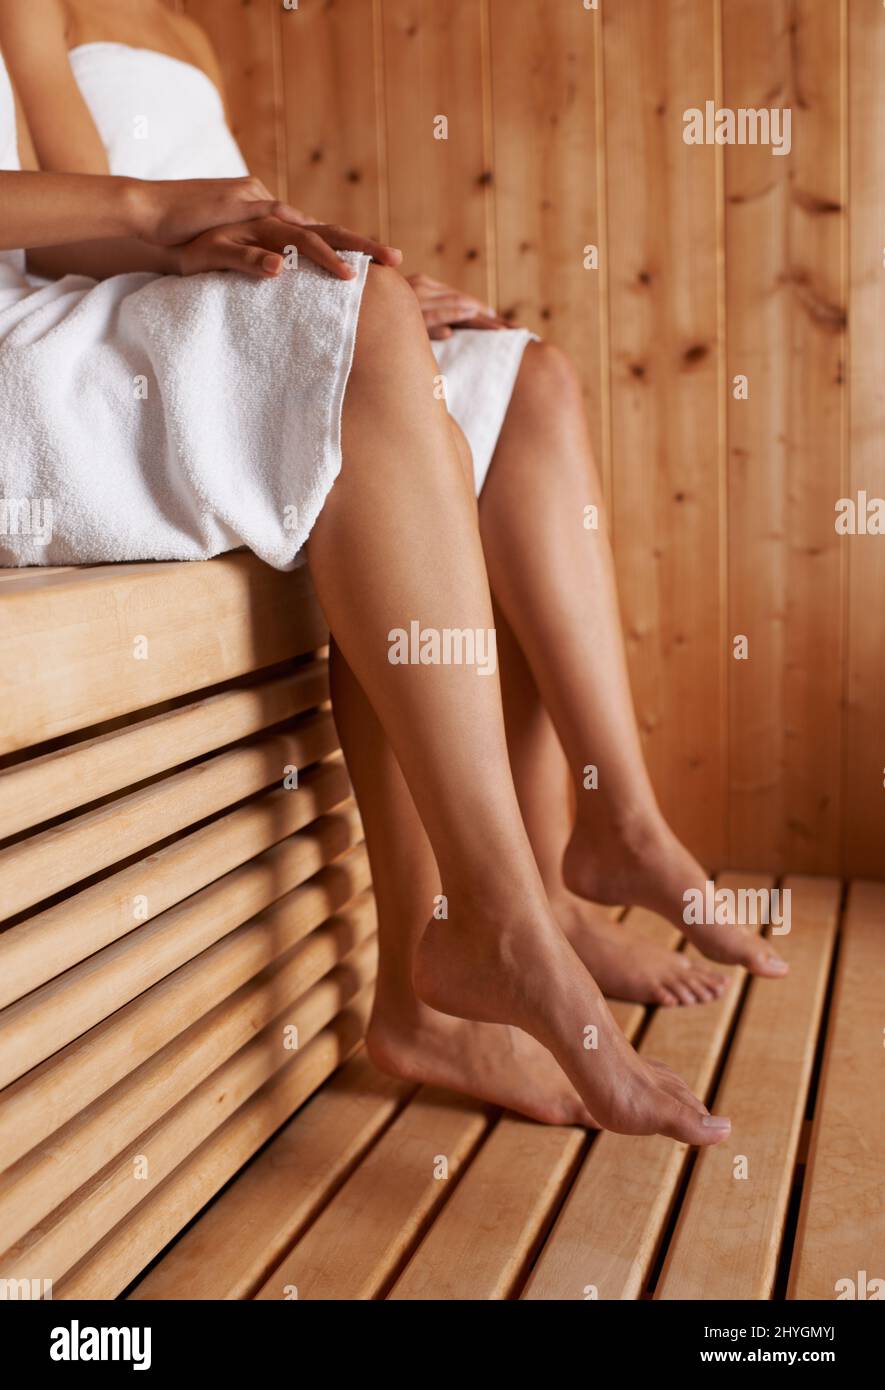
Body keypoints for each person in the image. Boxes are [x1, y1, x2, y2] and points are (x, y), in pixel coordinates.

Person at [0, 4, 770, 1139]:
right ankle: (500, 921)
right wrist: (188, 227)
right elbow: (108, 210)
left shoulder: (93, 19)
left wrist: (287, 253)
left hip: (71, 296)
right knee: (365, 361)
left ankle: (562, 871)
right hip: (34, 346)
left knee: (466, 372)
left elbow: (75, 220)